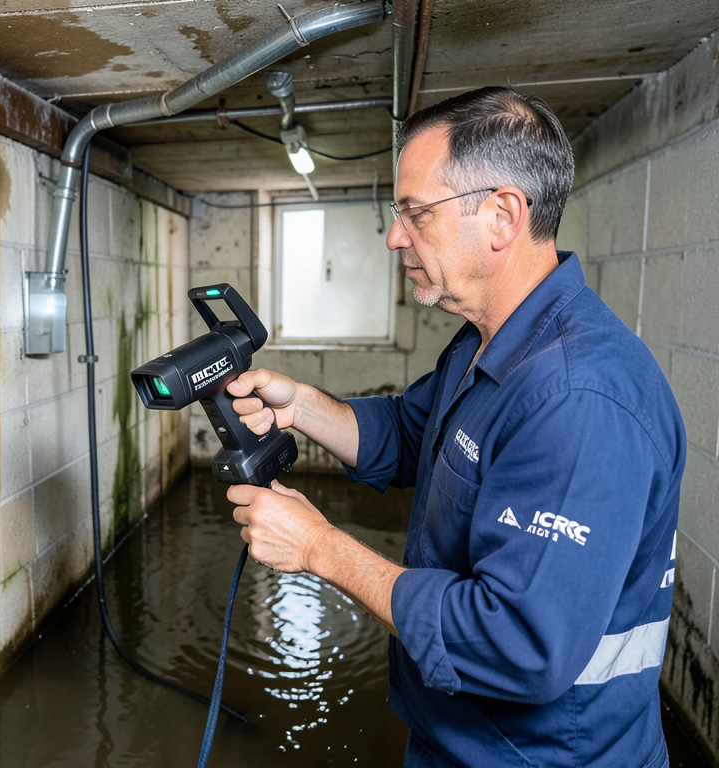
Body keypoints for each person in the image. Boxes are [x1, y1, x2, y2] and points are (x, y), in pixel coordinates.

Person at [226, 87, 685, 767]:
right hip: (460, 741)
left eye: (416, 212)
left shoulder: (579, 399)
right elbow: (416, 436)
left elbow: (518, 644)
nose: (394, 236)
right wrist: (303, 407)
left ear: (502, 216)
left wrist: (321, 548)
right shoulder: (485, 343)